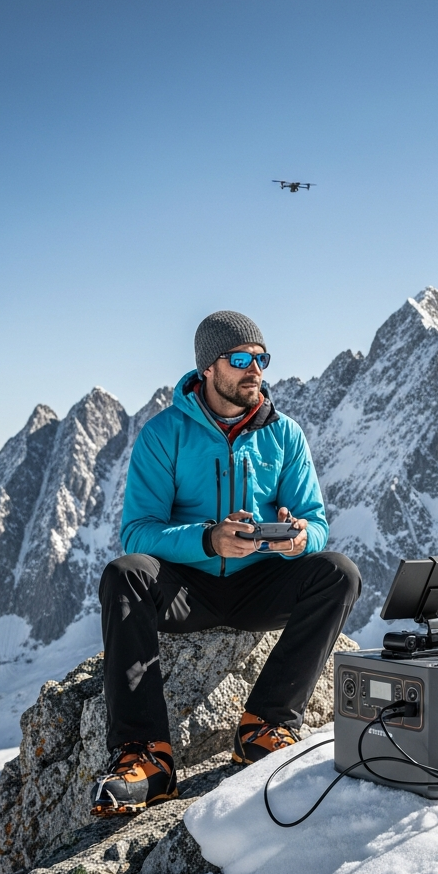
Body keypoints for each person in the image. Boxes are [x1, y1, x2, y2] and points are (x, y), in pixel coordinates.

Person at [91, 310, 361, 817]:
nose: (254, 369)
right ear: (208, 368)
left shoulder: (285, 435)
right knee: (123, 575)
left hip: (260, 582)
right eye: (241, 359)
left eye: (261, 358)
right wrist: (209, 540)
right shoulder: (164, 434)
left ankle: (265, 725)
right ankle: (147, 757)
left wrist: (298, 539)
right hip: (186, 586)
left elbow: (317, 523)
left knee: (338, 573)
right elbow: (138, 531)